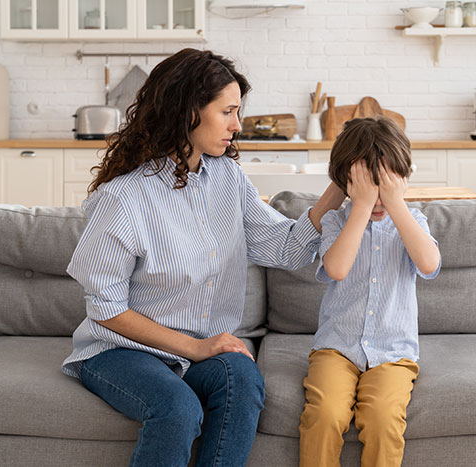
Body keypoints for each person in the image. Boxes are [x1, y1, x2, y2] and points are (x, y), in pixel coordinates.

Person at [61, 48, 344, 467]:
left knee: (243, 381)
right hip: (120, 351)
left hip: (200, 350)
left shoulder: (227, 178)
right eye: (227, 111)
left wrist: (340, 181)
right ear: (188, 111)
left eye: (238, 111)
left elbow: (285, 247)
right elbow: (106, 309)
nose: (237, 124)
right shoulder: (123, 199)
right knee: (178, 409)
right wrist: (195, 347)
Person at [299, 117, 442, 467]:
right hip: (337, 349)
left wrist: (396, 204)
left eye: (384, 186)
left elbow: (428, 264)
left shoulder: (413, 222)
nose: (376, 198)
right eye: (366, 186)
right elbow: (337, 268)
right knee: (325, 415)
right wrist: (360, 207)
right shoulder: (336, 221)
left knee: (382, 420)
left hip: (393, 353)